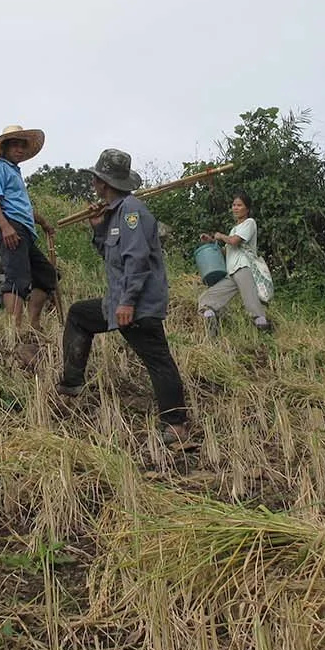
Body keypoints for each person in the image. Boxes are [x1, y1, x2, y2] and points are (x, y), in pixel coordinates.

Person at [59, 149, 194, 448]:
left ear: (103, 183)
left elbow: (137, 259)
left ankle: (176, 425)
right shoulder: (115, 214)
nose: (93, 184)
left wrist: (128, 302)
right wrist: (98, 229)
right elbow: (112, 256)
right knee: (80, 315)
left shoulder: (132, 212)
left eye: (96, 179)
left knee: (158, 359)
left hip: (138, 305)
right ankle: (71, 385)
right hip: (118, 301)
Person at [0, 124, 58, 337]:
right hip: (10, 227)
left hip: (23, 230)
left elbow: (22, 207)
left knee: (46, 274)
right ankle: (13, 330)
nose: (19, 149)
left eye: (22, 146)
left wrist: (43, 223)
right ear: (4, 148)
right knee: (17, 277)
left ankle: (33, 325)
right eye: (14, 145)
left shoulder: (15, 172)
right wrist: (6, 227)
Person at [197, 191, 271, 337]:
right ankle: (212, 326)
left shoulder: (249, 223)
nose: (235, 208)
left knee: (253, 306)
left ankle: (266, 339)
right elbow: (227, 251)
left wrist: (220, 236)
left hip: (243, 268)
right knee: (207, 299)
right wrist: (211, 242)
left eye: (239, 205)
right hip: (231, 272)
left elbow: (234, 241)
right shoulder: (234, 229)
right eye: (234, 205)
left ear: (247, 209)